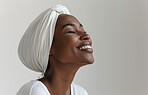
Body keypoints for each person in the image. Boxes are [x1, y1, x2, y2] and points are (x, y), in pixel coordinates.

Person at [16, 4, 94, 95]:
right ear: (49, 48)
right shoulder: (34, 91)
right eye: (71, 31)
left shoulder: (81, 92)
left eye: (84, 31)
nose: (86, 36)